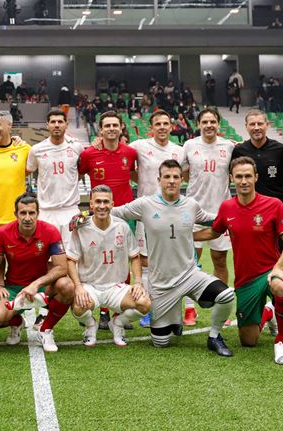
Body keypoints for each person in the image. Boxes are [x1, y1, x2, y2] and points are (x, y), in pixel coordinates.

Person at [102, 160, 236, 356]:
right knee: (161, 342)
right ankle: (174, 320)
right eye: (167, 177)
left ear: (182, 180)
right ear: (159, 180)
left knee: (226, 295)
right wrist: (83, 216)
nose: (171, 181)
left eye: (175, 177)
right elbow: (114, 211)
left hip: (190, 275)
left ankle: (215, 336)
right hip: (161, 283)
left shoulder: (191, 205)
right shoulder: (145, 204)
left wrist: (235, 214)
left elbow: (213, 219)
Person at [195, 157, 283, 365]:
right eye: (239, 176)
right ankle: (269, 312)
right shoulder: (227, 207)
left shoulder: (274, 205)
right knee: (248, 341)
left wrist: (278, 268)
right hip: (245, 280)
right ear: (231, 179)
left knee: (281, 286)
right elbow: (213, 232)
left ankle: (282, 342)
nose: (244, 181)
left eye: (248, 176)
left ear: (256, 177)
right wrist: (184, 235)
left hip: (270, 271)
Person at [231, 108, 283, 333]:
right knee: (252, 263)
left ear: (267, 125)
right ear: (246, 127)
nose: (256, 128)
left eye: (260, 124)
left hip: (277, 214)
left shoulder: (281, 150)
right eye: (252, 124)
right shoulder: (240, 150)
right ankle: (258, 310)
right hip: (250, 216)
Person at [0, 193, 72, 352]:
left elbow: (62, 267)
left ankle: (45, 329)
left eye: (31, 213)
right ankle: (17, 322)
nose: (27, 217)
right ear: (15, 214)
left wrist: (36, 284)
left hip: (42, 287)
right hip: (13, 288)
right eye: (23, 213)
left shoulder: (50, 231)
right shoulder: (3, 233)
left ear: (38, 214)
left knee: (66, 285)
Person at [68, 185, 151, 347]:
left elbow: (135, 257)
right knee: (78, 307)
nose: (102, 206)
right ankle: (91, 325)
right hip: (90, 286)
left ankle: (117, 324)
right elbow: (71, 260)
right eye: (98, 201)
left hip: (116, 287)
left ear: (112, 204)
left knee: (144, 303)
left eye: (106, 202)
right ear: (91, 204)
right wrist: (78, 287)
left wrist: (138, 282)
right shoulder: (81, 227)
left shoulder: (123, 227)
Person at [78, 111, 139, 329]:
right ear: (100, 129)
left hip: (125, 214)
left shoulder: (131, 153)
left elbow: (134, 175)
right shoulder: (89, 154)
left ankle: (118, 309)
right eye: (107, 125)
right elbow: (76, 175)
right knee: (99, 259)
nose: (111, 129)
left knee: (124, 262)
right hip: (100, 212)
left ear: (122, 128)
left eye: (115, 125)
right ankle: (102, 311)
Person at [130, 110, 188, 324]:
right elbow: (128, 166)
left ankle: (173, 308)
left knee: (172, 262)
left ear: (172, 126)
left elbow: (188, 174)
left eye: (166, 123)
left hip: (173, 214)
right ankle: (146, 306)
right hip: (148, 213)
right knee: (146, 261)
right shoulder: (139, 146)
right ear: (151, 127)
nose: (162, 127)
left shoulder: (180, 151)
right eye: (158, 124)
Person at [182, 109, 233, 288]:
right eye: (205, 122)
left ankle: (222, 302)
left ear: (218, 124)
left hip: (220, 212)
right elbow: (181, 172)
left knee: (219, 260)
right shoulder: (189, 145)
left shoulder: (229, 146)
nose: (209, 125)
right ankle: (190, 308)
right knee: (190, 261)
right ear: (198, 125)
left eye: (213, 122)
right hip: (193, 212)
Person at [26, 109, 85, 243]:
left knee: (72, 257)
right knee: (46, 258)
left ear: (66, 124)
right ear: (47, 125)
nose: (56, 125)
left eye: (60, 121)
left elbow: (80, 173)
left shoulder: (77, 147)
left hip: (71, 210)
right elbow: (28, 170)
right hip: (46, 211)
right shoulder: (37, 149)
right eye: (53, 122)